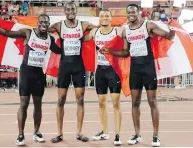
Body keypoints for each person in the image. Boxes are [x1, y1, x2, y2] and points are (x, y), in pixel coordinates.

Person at [101, 4, 175, 147]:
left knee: (152, 101)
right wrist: (109, 51)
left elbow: (167, 36)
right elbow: (125, 52)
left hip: (148, 69)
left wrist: (170, 30)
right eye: (129, 13)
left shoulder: (148, 26)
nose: (131, 15)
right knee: (135, 102)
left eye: (133, 12)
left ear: (138, 13)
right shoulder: (125, 31)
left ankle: (155, 136)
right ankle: (137, 135)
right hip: (135, 70)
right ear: (127, 14)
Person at [0, 14, 62, 146]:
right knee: (24, 103)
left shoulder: (50, 39)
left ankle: (36, 132)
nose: (44, 24)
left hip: (39, 75)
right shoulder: (28, 32)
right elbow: (7, 33)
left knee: (38, 105)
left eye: (46, 22)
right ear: (37, 23)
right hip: (27, 73)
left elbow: (60, 50)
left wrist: (69, 39)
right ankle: (20, 135)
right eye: (42, 22)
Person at [47, 2, 96, 143]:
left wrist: (93, 34)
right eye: (68, 9)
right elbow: (42, 30)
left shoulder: (84, 24)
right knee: (60, 100)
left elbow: (101, 29)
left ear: (76, 10)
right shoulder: (58, 25)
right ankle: (59, 133)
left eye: (72, 9)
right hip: (64, 67)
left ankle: (79, 132)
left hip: (78, 67)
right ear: (64, 11)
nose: (70, 11)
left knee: (80, 99)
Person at [84, 9, 123, 146]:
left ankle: (117, 135)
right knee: (101, 102)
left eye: (107, 16)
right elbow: (80, 39)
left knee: (116, 103)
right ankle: (105, 131)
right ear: (99, 19)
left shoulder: (118, 31)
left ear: (111, 18)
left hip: (113, 71)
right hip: (100, 70)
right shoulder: (95, 32)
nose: (104, 18)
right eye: (102, 16)